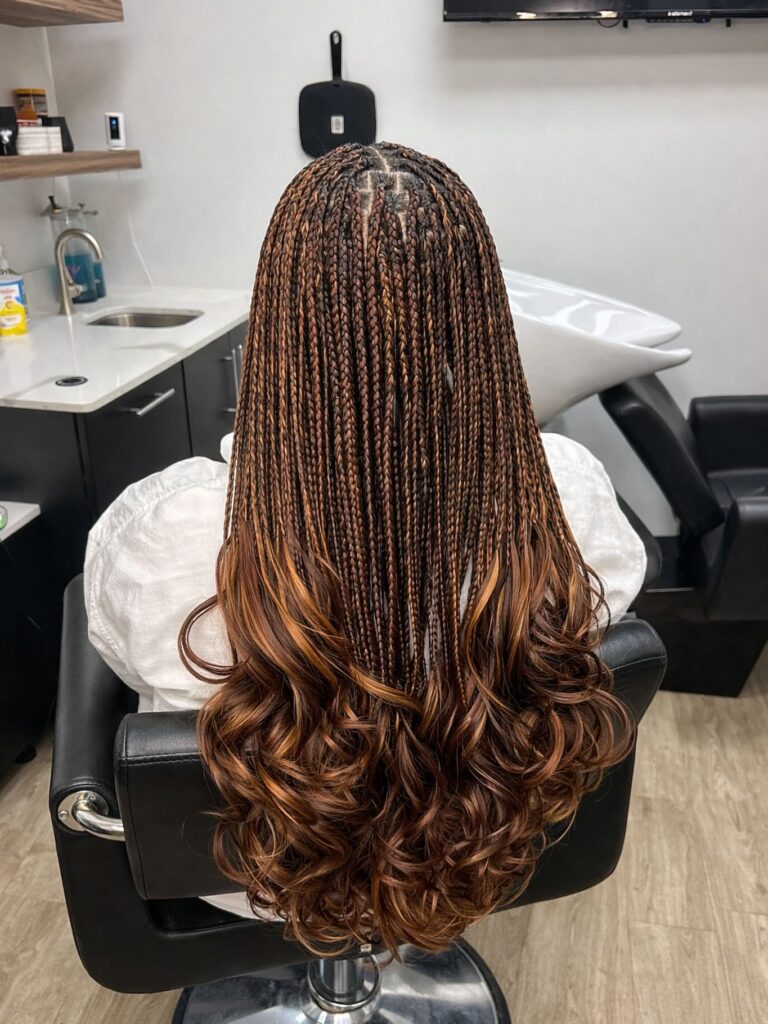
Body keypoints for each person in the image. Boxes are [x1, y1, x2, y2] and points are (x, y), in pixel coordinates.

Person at [85, 142, 645, 957]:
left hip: (258, 877)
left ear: (279, 320)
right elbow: (599, 621)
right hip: (479, 853)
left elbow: (121, 658)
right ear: (482, 316)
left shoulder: (170, 530)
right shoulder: (566, 499)